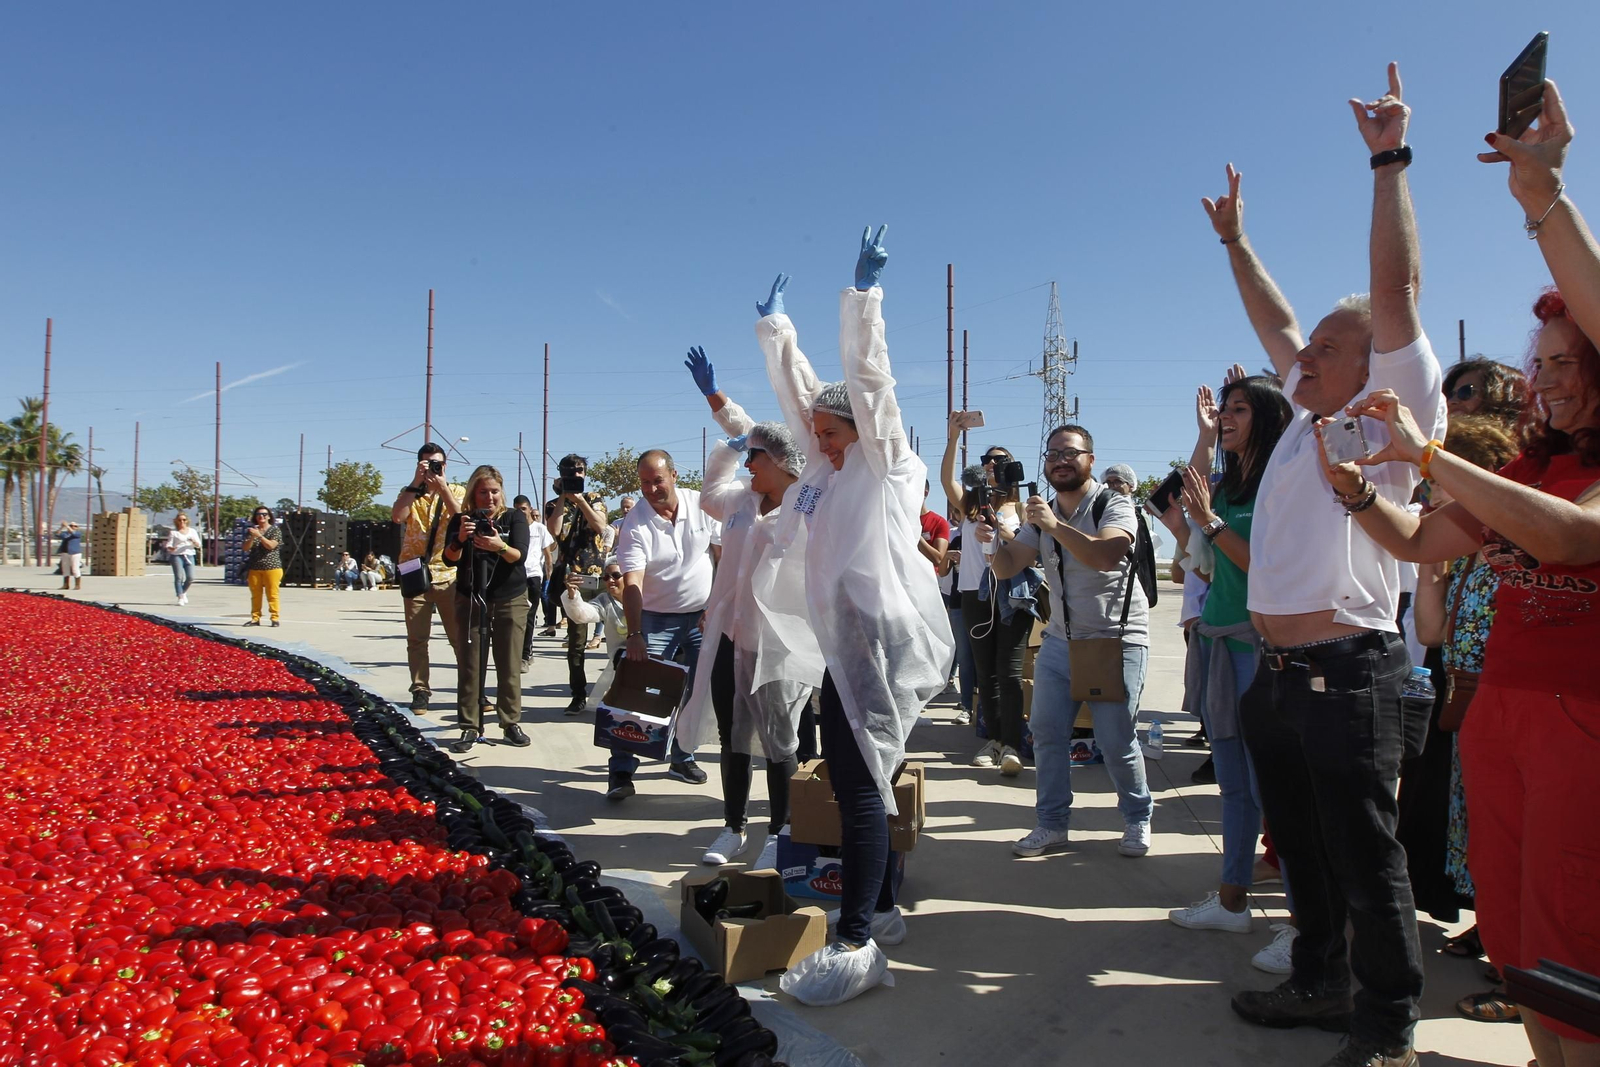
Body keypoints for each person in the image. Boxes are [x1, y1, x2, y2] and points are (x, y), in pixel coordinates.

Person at [1329, 80, 1600, 1066]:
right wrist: (1357, 488)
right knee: (1522, 930)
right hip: (1499, 725)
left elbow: (1571, 538)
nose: (1554, 378)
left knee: (1578, 936)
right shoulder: (1524, 464)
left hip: (1582, 723)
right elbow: (1413, 543)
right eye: (1547, 364)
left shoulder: (1572, 480)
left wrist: (1543, 199)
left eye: (1575, 361)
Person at [1204, 65, 1442, 1067]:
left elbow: (1395, 290)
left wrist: (1387, 161)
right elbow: (1271, 321)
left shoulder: (1386, 411)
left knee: (1363, 853)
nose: (1302, 358)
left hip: (1351, 673)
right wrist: (1234, 242)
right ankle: (1315, 978)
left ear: (1372, 359)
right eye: (1305, 354)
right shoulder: (1306, 420)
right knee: (1299, 848)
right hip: (1278, 674)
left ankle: (1384, 1025)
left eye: (1326, 348)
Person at [770, 229, 953, 1006]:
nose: (821, 445)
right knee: (852, 780)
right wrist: (779, 335)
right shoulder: (828, 463)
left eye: (832, 434)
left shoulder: (883, 464)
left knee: (863, 782)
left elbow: (865, 384)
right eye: (818, 437)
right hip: (841, 645)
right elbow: (808, 396)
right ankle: (880, 909)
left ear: (863, 433)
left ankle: (859, 938)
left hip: (875, 644)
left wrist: (864, 301)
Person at [674, 341, 819, 869]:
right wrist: (728, 443)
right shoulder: (739, 501)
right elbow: (710, 490)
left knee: (781, 743)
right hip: (733, 636)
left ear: (781, 463)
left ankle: (779, 832)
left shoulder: (809, 505)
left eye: (756, 456)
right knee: (735, 737)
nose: (749, 463)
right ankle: (732, 827)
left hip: (780, 646)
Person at [1165, 373, 1293, 959]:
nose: (1227, 419)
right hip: (1220, 645)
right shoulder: (1230, 485)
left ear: (1268, 418)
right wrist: (1202, 433)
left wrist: (1212, 523)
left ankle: (1303, 922)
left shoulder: (1283, 483)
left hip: (1262, 651)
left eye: (1241, 411)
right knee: (1236, 786)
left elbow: (1265, 565)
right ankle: (1233, 900)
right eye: (1226, 412)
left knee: (1280, 790)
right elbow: (1190, 501)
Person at [989, 423, 1154, 858]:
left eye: (1070, 453)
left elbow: (1104, 556)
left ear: (1090, 459)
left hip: (1114, 640)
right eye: (1053, 454)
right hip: (1061, 641)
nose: (1060, 461)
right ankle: (1052, 824)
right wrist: (989, 536)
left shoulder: (1113, 503)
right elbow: (1009, 568)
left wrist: (1053, 526)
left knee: (1116, 740)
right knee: (1045, 733)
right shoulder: (1041, 516)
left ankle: (1137, 818)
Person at [1404, 416, 1519, 1025]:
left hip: (1512, 711)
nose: (1427, 496)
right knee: (1480, 835)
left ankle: (1519, 972)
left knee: (1512, 838)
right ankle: (1495, 935)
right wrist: (1430, 568)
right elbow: (1430, 633)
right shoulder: (1470, 550)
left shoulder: (1516, 543)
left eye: (1436, 480)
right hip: (1469, 708)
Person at [610, 449, 714, 797]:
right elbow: (633, 582)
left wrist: (716, 606)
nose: (652, 489)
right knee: (637, 693)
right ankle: (622, 772)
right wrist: (635, 633)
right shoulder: (634, 524)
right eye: (644, 483)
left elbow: (722, 556)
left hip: (702, 616)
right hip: (655, 619)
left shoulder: (702, 503)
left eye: (657, 480)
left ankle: (683, 758)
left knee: (697, 693)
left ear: (673, 475)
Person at [941, 423, 1029, 775]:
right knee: (985, 674)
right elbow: (948, 481)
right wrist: (953, 437)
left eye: (999, 460)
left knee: (1009, 673)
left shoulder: (1021, 509)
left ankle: (1011, 744)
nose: (991, 464)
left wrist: (1006, 532)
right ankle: (993, 740)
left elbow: (1033, 550)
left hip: (1013, 595)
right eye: (986, 460)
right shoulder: (972, 505)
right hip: (974, 594)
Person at [441, 465, 531, 753]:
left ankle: (510, 722)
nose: (489, 498)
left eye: (494, 491)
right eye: (483, 492)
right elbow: (448, 559)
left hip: (510, 598)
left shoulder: (514, 517)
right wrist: (461, 539)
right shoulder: (461, 520)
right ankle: (469, 726)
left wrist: (498, 545)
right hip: (470, 598)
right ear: (473, 493)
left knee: (509, 664)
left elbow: (519, 556)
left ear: (501, 492)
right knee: (470, 665)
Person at [390, 443, 464, 714]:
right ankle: (420, 690)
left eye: (438, 464)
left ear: (446, 466)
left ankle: (469, 690)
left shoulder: (456, 491)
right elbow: (398, 516)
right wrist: (415, 481)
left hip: (448, 574)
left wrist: (443, 487)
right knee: (417, 639)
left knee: (459, 638)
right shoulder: (410, 493)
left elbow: (461, 518)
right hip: (414, 574)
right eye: (427, 463)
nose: (433, 468)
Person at [552, 454, 611, 713]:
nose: (575, 475)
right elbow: (553, 532)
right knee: (576, 643)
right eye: (569, 471)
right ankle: (578, 694)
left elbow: (600, 526)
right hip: (573, 580)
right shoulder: (555, 504)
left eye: (579, 471)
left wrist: (580, 501)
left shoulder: (595, 499)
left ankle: (615, 693)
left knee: (618, 635)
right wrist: (565, 498)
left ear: (585, 473)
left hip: (600, 577)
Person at [560, 560, 628, 714]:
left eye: (616, 576)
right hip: (620, 658)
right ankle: (578, 697)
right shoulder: (605, 600)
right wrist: (572, 594)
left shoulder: (647, 598)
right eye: (606, 577)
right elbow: (583, 614)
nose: (610, 580)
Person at [938, 515, 976, 727]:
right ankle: (967, 705)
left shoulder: (987, 535)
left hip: (983, 604)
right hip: (958, 603)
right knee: (964, 657)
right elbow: (943, 570)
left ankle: (979, 706)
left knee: (981, 658)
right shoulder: (957, 540)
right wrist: (949, 557)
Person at [513, 494, 555, 669]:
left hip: (534, 576)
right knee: (515, 617)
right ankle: (515, 652)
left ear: (530, 509)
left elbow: (548, 554)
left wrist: (549, 575)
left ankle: (525, 654)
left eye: (523, 509)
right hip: (516, 575)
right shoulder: (513, 527)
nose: (521, 512)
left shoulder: (539, 529)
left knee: (530, 615)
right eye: (517, 509)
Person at [1442, 356, 1527, 422]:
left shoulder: (1528, 443)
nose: (1451, 401)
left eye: (1465, 392)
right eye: (1449, 395)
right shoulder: (1436, 442)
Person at [243, 507, 284, 627]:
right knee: (255, 594)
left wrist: (260, 536)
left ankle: (274, 617)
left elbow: (271, 546)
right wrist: (252, 536)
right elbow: (245, 548)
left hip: (272, 566)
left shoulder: (275, 530)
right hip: (255, 566)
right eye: (259, 514)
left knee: (272, 594)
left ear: (269, 516)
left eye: (264, 514)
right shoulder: (252, 530)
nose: (262, 516)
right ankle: (255, 618)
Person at [165, 513, 202, 605]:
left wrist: (194, 542)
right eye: (180, 520)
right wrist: (171, 548)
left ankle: (183, 591)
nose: (182, 522)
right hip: (177, 556)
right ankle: (180, 597)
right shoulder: (174, 533)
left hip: (189, 555)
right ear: (176, 521)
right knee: (179, 577)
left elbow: (199, 545)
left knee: (190, 577)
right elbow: (168, 544)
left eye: (184, 520)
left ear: (187, 521)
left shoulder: (192, 531)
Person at [56, 522, 83, 591]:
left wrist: (67, 526)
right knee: (65, 569)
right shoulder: (65, 534)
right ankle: (66, 584)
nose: (72, 527)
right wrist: (61, 527)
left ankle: (77, 585)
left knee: (75, 569)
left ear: (77, 527)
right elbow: (57, 534)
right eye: (71, 525)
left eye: (74, 526)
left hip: (75, 553)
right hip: (65, 553)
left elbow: (73, 533)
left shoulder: (78, 533)